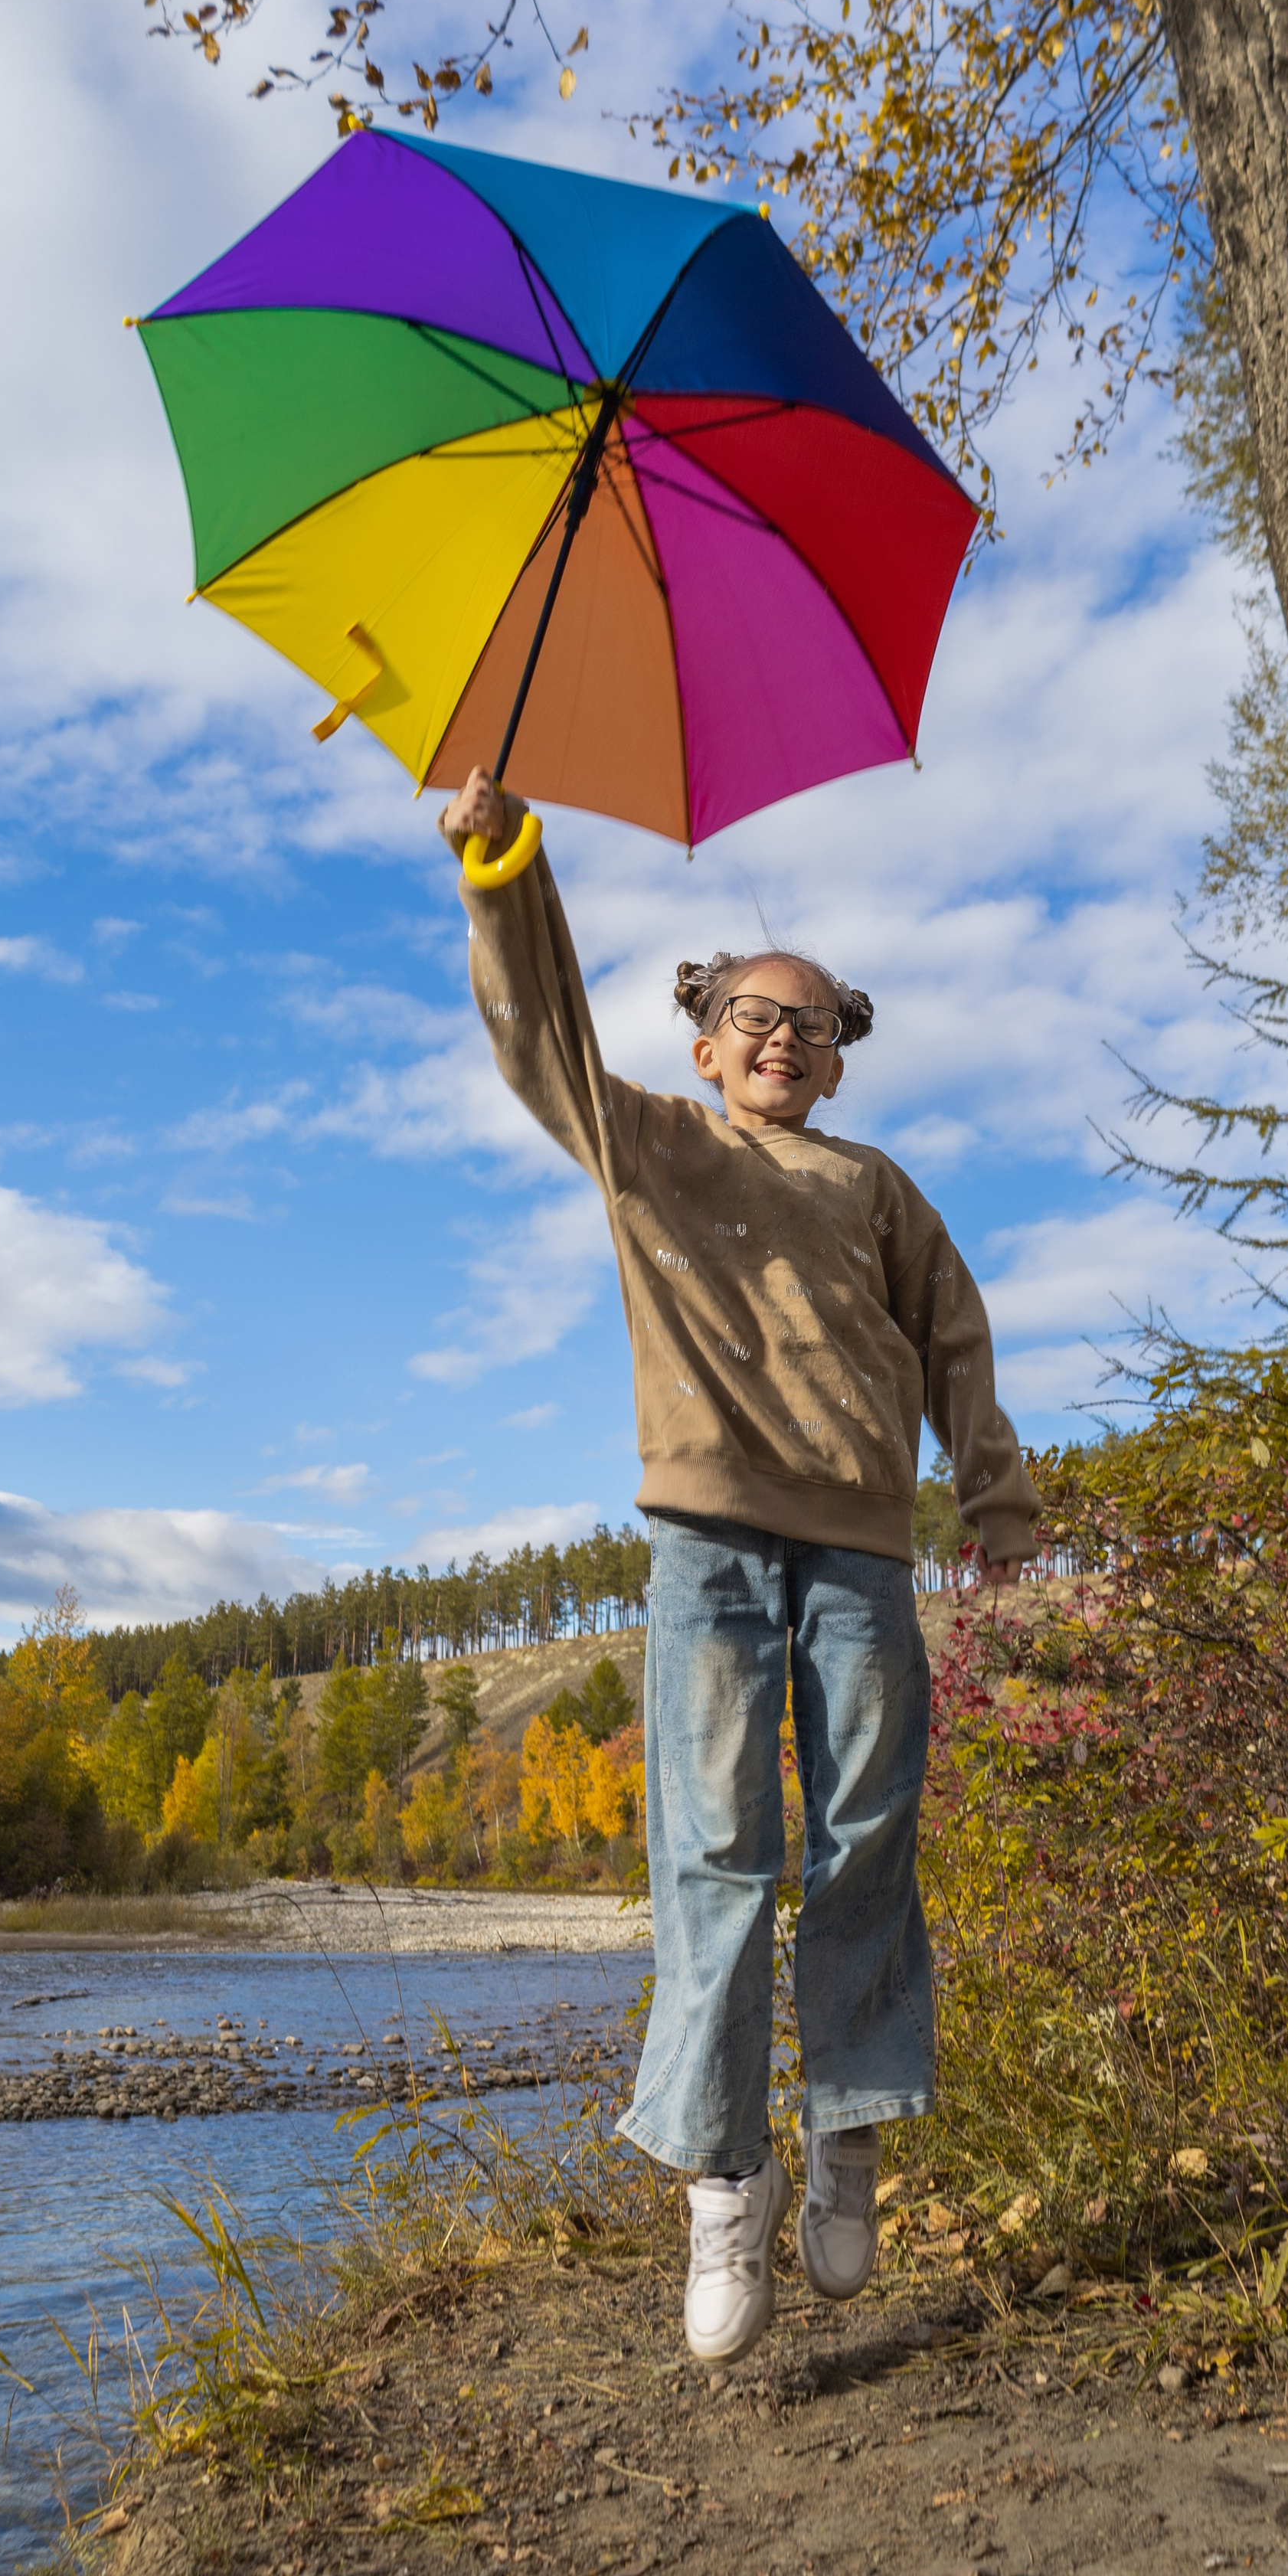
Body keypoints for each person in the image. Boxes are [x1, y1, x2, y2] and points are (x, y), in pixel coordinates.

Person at [442, 770, 1038, 2365]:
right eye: (748, 1020)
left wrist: (995, 1502)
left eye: (809, 1024)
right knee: (714, 1860)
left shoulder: (871, 1188)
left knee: (863, 1842)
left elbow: (955, 1337)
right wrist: (504, 869)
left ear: (840, 1054)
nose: (779, 1041)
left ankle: (843, 2131)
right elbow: (537, 1039)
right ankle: (722, 2178)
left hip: (858, 1552)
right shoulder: (646, 1147)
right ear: (702, 1042)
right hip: (704, 1544)